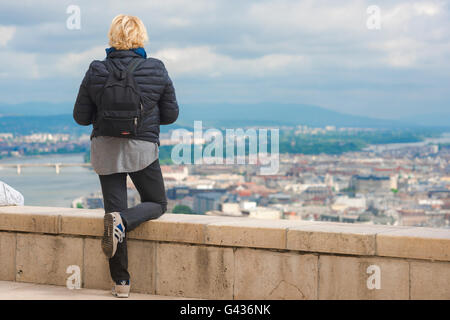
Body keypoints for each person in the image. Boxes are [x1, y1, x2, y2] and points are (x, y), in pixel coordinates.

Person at [73, 14, 179, 298]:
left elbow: (80, 117)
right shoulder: (155, 69)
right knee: (156, 202)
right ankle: (124, 221)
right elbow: (171, 115)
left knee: (113, 212)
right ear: (141, 37)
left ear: (112, 37)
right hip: (142, 148)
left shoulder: (96, 70)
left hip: (106, 149)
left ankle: (121, 284)